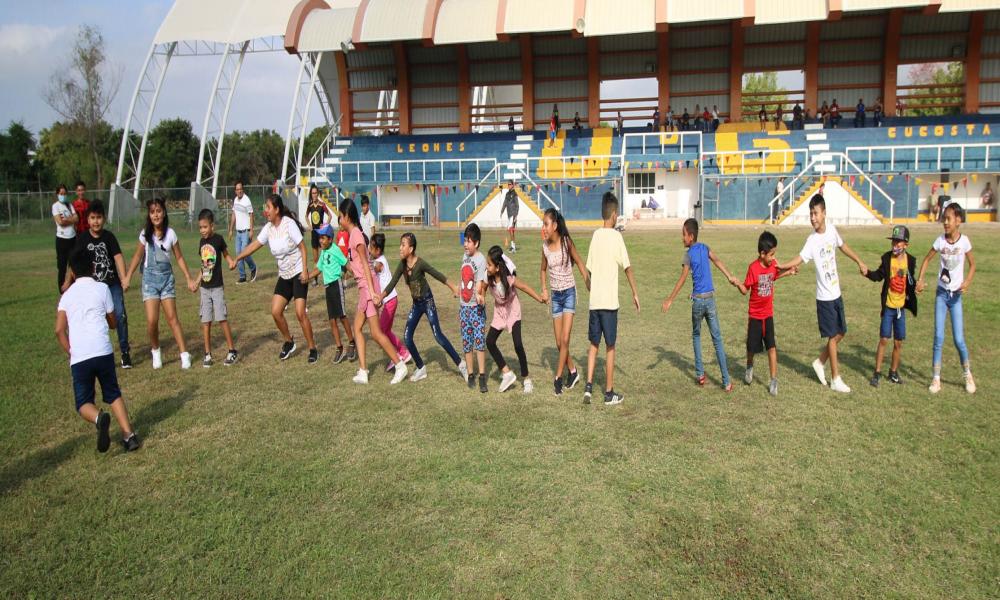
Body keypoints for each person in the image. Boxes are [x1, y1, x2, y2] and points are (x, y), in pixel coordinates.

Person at [776, 194, 868, 393]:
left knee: (841, 332)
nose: (813, 218)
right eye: (810, 214)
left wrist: (859, 261)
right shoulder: (811, 240)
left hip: (836, 293)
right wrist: (782, 265)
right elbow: (799, 258)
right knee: (832, 336)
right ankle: (836, 378)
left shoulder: (832, 231)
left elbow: (843, 247)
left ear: (824, 213)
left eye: (815, 213)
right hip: (824, 298)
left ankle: (820, 362)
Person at [56, 249, 141, 453]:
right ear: (94, 268)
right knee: (113, 393)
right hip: (103, 351)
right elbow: (113, 321)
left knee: (83, 403)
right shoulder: (102, 288)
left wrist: (70, 351)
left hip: (80, 357)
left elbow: (59, 329)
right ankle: (129, 436)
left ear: (72, 273)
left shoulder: (67, 296)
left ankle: (98, 417)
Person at [231, 194, 319, 363]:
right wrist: (238, 258)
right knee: (275, 312)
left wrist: (305, 271)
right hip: (284, 275)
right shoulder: (268, 228)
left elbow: (302, 247)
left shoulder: (289, 224)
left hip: (298, 273)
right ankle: (289, 341)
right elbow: (255, 245)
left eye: (268, 207)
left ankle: (312, 348)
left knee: (300, 313)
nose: (266, 211)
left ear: (277, 209)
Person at [661, 218, 738, 392]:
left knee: (696, 335)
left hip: (697, 302)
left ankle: (700, 374)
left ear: (691, 236)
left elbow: (682, 278)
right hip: (710, 300)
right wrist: (729, 276)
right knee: (717, 339)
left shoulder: (688, 255)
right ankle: (726, 381)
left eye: (683, 234)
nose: (682, 238)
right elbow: (717, 261)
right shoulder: (705, 248)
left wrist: (670, 299)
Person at [376, 232, 465, 383]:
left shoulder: (420, 263)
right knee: (407, 337)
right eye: (400, 244)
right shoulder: (402, 265)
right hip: (416, 305)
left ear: (411, 249)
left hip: (428, 302)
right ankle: (420, 367)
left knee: (438, 336)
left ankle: (461, 365)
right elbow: (392, 283)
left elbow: (437, 274)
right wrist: (381, 296)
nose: (400, 248)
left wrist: (453, 287)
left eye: (403, 245)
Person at [338, 198, 408, 384]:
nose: (339, 220)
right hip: (364, 289)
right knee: (357, 328)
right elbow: (358, 266)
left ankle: (400, 366)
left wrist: (373, 293)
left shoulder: (357, 236)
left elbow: (367, 268)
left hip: (368, 290)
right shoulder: (353, 234)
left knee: (376, 333)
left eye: (340, 216)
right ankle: (363, 371)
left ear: (346, 216)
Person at [123, 197, 195, 370]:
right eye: (152, 212)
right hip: (149, 281)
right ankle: (155, 351)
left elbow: (179, 257)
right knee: (151, 320)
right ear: (149, 215)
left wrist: (188, 278)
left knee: (172, 318)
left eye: (159, 211)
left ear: (164, 213)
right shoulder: (144, 235)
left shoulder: (171, 234)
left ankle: (184, 354)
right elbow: (137, 256)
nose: (156, 215)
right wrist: (127, 277)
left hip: (167, 280)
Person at [584, 192, 639, 405]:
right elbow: (628, 268)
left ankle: (588, 388)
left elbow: (587, 273)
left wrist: (592, 289)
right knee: (610, 346)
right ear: (614, 215)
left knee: (593, 344)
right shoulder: (617, 237)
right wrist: (635, 292)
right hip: (609, 304)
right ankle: (608, 393)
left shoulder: (595, 235)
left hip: (595, 302)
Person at [63, 200, 132, 369]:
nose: (96, 221)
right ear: (87, 219)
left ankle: (124, 352)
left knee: (120, 315)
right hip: (92, 287)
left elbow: (118, 257)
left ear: (104, 219)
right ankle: (91, 351)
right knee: (92, 319)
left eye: (99, 217)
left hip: (112, 284)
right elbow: (73, 261)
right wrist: (67, 282)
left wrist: (124, 278)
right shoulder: (83, 238)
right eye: (92, 218)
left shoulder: (109, 237)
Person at [917, 203, 976, 394]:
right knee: (938, 337)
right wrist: (921, 279)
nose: (945, 222)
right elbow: (926, 260)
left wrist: (967, 281)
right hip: (941, 295)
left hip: (956, 297)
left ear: (958, 221)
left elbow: (973, 264)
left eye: (949, 218)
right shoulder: (940, 241)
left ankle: (967, 374)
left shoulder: (964, 241)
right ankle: (936, 379)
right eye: (944, 218)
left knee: (959, 339)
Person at [732, 231, 796, 396]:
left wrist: (788, 272)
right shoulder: (753, 268)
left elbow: (774, 276)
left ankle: (773, 380)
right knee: (751, 348)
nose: (774, 258)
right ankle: (749, 366)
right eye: (771, 254)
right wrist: (738, 283)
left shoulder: (773, 265)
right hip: (755, 316)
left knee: (772, 347)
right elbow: (745, 290)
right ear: (762, 253)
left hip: (768, 315)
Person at [539, 208, 589, 395]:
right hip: (555, 297)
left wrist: (587, 280)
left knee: (565, 339)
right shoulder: (544, 246)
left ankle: (558, 378)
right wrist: (544, 289)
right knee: (560, 343)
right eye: (543, 224)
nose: (543, 227)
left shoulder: (566, 242)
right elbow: (542, 270)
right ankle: (573, 371)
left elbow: (580, 262)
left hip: (569, 294)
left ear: (555, 225)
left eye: (546, 224)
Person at [485, 245, 546, 394]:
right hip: (500, 313)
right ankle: (507, 373)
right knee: (490, 342)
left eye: (489, 264)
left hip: (513, 311)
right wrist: (480, 295)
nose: (487, 267)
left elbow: (524, 287)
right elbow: (481, 288)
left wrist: (539, 298)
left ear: (498, 267)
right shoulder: (488, 277)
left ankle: (526, 379)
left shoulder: (509, 278)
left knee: (518, 345)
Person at [864, 225, 917, 387]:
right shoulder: (887, 258)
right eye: (893, 241)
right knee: (884, 339)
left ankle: (893, 372)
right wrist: (867, 273)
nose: (895, 244)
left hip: (900, 308)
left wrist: (916, 287)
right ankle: (877, 372)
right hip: (888, 307)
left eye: (898, 242)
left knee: (898, 342)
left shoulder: (911, 261)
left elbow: (910, 282)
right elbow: (878, 276)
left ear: (905, 244)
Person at [192, 209, 238, 368]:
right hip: (204, 289)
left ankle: (232, 350)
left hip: (217, 287)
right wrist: (197, 281)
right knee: (206, 321)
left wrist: (231, 262)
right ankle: (207, 354)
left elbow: (225, 254)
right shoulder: (201, 242)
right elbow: (204, 265)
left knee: (222, 318)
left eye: (205, 227)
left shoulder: (218, 239)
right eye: (200, 227)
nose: (202, 230)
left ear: (212, 226)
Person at [305, 223, 356, 363]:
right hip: (327, 287)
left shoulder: (335, 250)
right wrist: (307, 276)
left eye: (323, 238)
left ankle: (352, 342)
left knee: (342, 316)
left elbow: (346, 263)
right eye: (320, 238)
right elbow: (318, 269)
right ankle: (339, 347)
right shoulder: (323, 252)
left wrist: (356, 274)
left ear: (330, 239)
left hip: (336, 285)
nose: (321, 241)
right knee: (332, 319)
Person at [370, 233, 411, 370]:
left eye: (371, 247)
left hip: (390, 300)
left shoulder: (379, 262)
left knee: (381, 331)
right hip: (390, 300)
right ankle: (401, 353)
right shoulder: (380, 259)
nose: (369, 249)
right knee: (385, 331)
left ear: (378, 250)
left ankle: (400, 354)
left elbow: (372, 268)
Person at [459, 223, 489, 393]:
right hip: (464, 308)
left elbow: (480, 281)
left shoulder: (481, 259)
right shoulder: (464, 257)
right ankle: (471, 374)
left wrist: (479, 294)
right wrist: (459, 289)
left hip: (476, 309)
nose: (466, 244)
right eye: (465, 241)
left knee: (479, 341)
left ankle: (482, 376)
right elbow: (463, 277)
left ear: (476, 243)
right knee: (467, 342)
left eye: (469, 241)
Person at [228, 180, 258, 284]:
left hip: (246, 231)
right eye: (237, 189)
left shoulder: (247, 200)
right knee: (238, 254)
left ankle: (253, 268)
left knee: (244, 253)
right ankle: (242, 276)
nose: (239, 191)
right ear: (235, 191)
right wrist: (231, 230)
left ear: (242, 189)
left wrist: (251, 230)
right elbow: (233, 215)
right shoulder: (235, 200)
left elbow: (251, 215)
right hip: (238, 232)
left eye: (240, 189)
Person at [305, 184, 334, 283]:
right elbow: (306, 216)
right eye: (313, 193)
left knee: (324, 256)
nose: (314, 195)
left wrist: (325, 226)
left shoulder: (322, 205)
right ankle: (315, 280)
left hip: (321, 234)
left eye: (316, 193)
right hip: (314, 234)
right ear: (311, 194)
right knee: (316, 258)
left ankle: (327, 277)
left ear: (318, 194)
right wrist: (309, 225)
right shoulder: (310, 205)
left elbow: (330, 216)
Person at [52, 183, 78, 293]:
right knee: (62, 266)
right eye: (61, 193)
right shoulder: (55, 206)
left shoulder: (69, 205)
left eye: (64, 193)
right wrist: (70, 219)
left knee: (73, 265)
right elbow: (60, 222)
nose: (63, 195)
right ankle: (62, 290)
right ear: (57, 194)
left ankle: (72, 287)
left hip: (72, 238)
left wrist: (68, 219)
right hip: (62, 240)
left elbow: (76, 218)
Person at [501, 180, 519, 253]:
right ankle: (512, 246)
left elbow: (517, 206)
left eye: (510, 184)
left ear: (513, 185)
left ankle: (513, 248)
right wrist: (502, 211)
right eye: (508, 184)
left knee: (511, 230)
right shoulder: (507, 194)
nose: (509, 185)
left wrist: (515, 216)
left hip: (513, 215)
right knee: (511, 231)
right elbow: (505, 203)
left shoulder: (515, 194)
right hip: (509, 215)